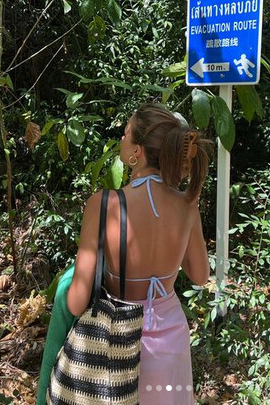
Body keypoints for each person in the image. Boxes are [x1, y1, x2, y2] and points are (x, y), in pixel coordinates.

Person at [64, 103, 212, 405]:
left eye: (126, 132)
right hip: (171, 340)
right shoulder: (187, 204)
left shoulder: (104, 204)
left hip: (117, 342)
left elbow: (76, 303)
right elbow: (200, 276)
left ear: (138, 152)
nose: (122, 137)